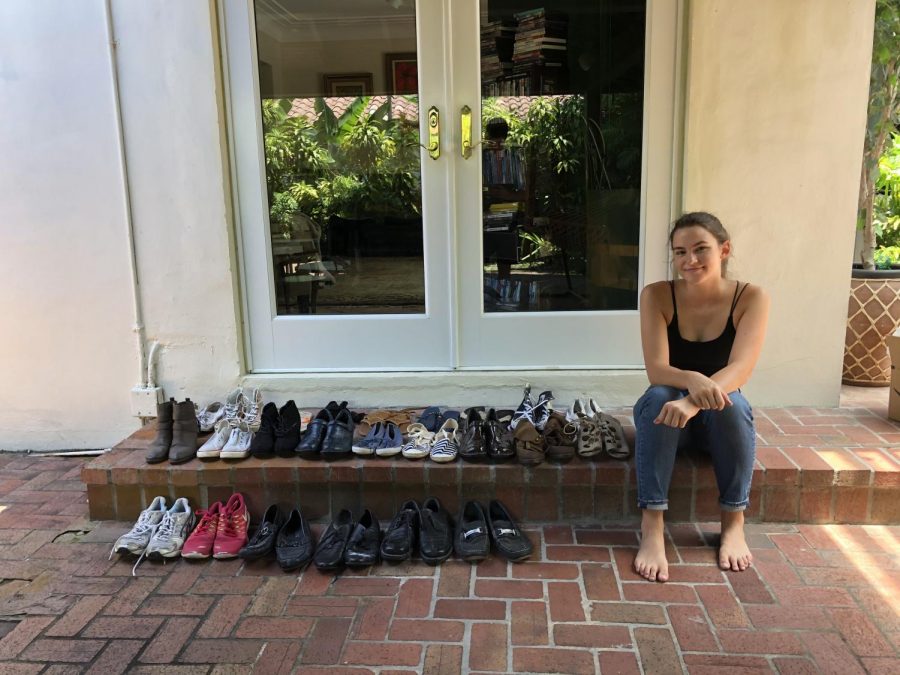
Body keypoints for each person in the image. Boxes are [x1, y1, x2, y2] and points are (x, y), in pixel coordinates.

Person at [633, 212, 770, 582]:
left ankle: (733, 521)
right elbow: (657, 369)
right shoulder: (657, 295)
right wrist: (692, 379)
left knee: (734, 402)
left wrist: (693, 400)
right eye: (680, 252)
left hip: (714, 422)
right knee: (661, 393)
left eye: (700, 249)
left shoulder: (750, 297)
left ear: (724, 250)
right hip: (665, 421)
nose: (689, 261)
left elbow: (740, 368)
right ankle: (652, 525)